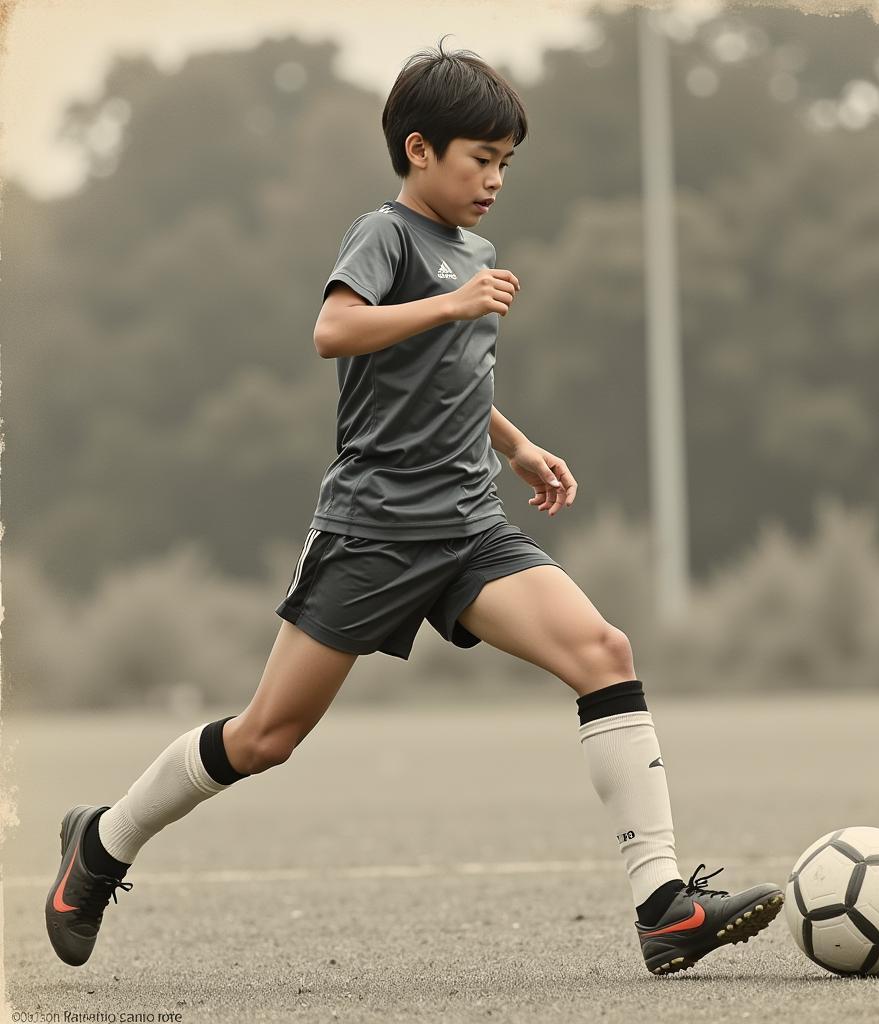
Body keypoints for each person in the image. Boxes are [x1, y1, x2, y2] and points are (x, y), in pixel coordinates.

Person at [45, 37, 783, 977]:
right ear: (420, 149)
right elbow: (334, 331)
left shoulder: (471, 252)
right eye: (481, 160)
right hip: (373, 530)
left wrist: (515, 445)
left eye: (506, 164)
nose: (495, 182)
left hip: (470, 529)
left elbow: (447, 380)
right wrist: (451, 306)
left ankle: (663, 906)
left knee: (604, 653)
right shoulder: (386, 234)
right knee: (266, 736)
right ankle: (101, 844)